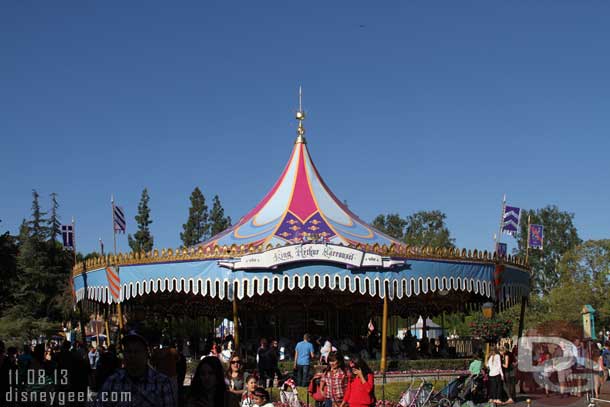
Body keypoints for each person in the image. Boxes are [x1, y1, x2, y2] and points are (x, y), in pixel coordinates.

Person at [95, 331, 176, 407]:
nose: (132, 356)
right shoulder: (112, 382)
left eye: (137, 351)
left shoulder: (161, 383)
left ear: (146, 354)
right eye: (128, 351)